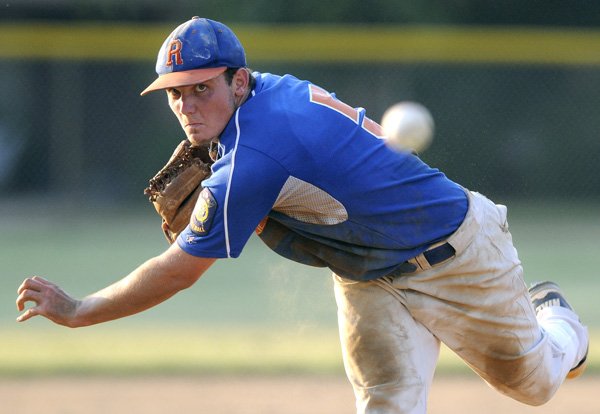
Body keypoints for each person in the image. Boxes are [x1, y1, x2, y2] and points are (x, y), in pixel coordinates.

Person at [16, 17, 588, 413]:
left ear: (238, 81)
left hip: (456, 255)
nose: (187, 106)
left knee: (534, 384)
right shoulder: (261, 99)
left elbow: (179, 269)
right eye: (175, 93)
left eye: (200, 88)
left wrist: (79, 310)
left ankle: (557, 319)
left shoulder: (256, 156)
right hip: (368, 275)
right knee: (386, 403)